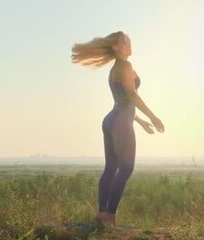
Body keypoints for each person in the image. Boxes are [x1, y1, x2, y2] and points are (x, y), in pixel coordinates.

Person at [71, 31, 165, 227]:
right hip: (120, 121)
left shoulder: (116, 68)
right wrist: (153, 116)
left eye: (130, 40)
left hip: (111, 120)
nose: (129, 43)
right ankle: (110, 216)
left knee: (111, 168)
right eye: (125, 41)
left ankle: (102, 213)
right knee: (126, 168)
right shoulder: (125, 66)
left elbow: (123, 101)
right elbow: (132, 95)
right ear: (115, 46)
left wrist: (138, 121)